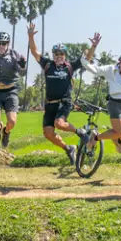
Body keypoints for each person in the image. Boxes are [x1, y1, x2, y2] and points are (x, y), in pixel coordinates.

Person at [27, 23, 90, 164]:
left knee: (59, 123)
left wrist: (93, 46)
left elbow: (86, 59)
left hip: (64, 102)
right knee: (48, 133)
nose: (59, 56)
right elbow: (34, 51)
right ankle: (69, 149)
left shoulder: (70, 66)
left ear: (65, 55)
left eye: (61, 54)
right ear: (53, 55)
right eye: (56, 54)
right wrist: (31, 36)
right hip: (50, 104)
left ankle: (79, 132)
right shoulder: (47, 65)